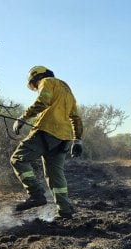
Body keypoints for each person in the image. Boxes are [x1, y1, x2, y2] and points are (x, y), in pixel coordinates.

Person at [10, 66, 83, 219]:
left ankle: (36, 195)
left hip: (47, 131)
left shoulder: (47, 81)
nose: (36, 87)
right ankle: (65, 211)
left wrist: (22, 118)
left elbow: (43, 101)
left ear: (36, 78)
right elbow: (76, 117)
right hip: (64, 138)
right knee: (55, 175)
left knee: (18, 159)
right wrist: (78, 140)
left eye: (34, 85)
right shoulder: (67, 91)